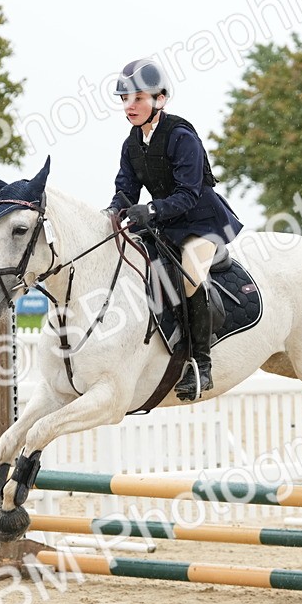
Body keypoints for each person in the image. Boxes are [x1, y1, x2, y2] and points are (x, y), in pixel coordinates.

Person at [106, 58, 243, 402]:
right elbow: (125, 190)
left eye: (138, 98)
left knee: (188, 277)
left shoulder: (182, 137)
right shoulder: (132, 143)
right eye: (125, 99)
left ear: (161, 99)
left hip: (202, 222)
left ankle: (201, 364)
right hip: (165, 222)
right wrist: (111, 214)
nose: (130, 106)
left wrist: (150, 210)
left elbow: (188, 194)